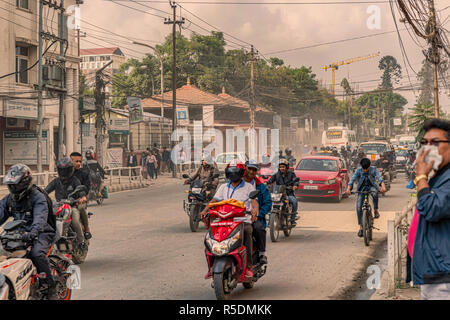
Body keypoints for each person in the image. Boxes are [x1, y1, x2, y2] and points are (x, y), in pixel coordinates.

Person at [0, 164, 58, 299]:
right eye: (11, 185)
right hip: (20, 233)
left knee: (36, 254)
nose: (13, 188)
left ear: (25, 183)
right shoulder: (10, 198)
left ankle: (50, 287)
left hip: (42, 232)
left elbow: (40, 218)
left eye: (17, 185)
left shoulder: (38, 197)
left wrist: (33, 233)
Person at [411, 118, 450, 300]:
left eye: (435, 143)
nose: (427, 148)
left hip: (443, 278)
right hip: (433, 274)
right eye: (424, 143)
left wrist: (421, 177)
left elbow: (431, 208)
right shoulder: (439, 176)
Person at [200, 161, 259, 278]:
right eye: (230, 172)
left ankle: (248, 266)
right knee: (209, 239)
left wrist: (254, 210)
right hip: (224, 220)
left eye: (236, 172)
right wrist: (205, 210)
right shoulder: (223, 187)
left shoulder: (249, 187)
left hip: (242, 220)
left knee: (247, 232)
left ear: (241, 173)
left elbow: (254, 201)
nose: (233, 174)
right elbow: (214, 201)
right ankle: (210, 267)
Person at [45, 157, 88, 253]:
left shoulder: (75, 180)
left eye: (66, 170)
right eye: (62, 170)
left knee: (75, 221)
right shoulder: (56, 181)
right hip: (59, 206)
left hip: (73, 206)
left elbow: (81, 191)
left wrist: (82, 198)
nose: (64, 173)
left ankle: (81, 242)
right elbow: (45, 191)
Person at [345, 158, 386, 237]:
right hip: (362, 189)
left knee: (375, 194)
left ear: (369, 166)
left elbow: (379, 178)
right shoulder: (358, 170)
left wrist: (383, 187)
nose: (365, 170)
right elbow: (352, 180)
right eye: (363, 169)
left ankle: (376, 210)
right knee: (358, 206)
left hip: (371, 187)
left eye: (366, 169)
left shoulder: (374, 169)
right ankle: (361, 227)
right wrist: (348, 189)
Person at [243, 160, 272, 265]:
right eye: (249, 169)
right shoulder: (236, 183)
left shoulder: (261, 187)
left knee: (258, 228)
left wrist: (258, 214)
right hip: (236, 217)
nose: (251, 171)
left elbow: (268, 203)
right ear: (244, 168)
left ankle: (261, 253)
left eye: (254, 170)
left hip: (253, 218)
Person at [265, 159, 300, 226]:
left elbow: (295, 181)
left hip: (288, 194)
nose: (282, 168)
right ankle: (270, 221)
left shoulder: (291, 174)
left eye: (283, 167)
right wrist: (266, 183)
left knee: (294, 201)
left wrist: (295, 185)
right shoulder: (276, 174)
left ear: (286, 167)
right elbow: (270, 180)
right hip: (278, 194)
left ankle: (292, 219)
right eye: (280, 167)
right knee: (269, 202)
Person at [70, 152, 92, 240]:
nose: (79, 163)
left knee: (81, 208)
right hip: (67, 199)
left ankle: (87, 229)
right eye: (76, 161)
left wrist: (83, 197)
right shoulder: (66, 173)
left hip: (81, 199)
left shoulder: (84, 173)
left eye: (80, 161)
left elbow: (87, 187)